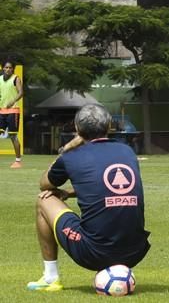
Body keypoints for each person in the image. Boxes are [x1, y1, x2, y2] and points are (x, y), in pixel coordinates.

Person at [27, 104, 150, 291]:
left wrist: (67, 148)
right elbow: (114, 187)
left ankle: (50, 277)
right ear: (109, 126)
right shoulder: (127, 152)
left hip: (93, 253)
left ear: (77, 129)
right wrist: (69, 193)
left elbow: (45, 184)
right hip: (134, 252)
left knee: (44, 199)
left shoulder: (72, 156)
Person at [0, 60, 24, 168]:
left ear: (13, 69)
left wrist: (13, 101)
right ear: (3, 68)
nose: (8, 69)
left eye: (10, 68)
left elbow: (21, 93)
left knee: (13, 136)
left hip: (13, 111)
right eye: (6, 67)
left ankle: (18, 161)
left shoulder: (16, 79)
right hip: (1, 111)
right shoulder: (0, 79)